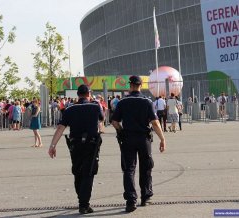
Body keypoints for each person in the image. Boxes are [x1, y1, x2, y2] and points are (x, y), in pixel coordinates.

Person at [112, 76, 166, 213]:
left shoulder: (122, 102)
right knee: (146, 167)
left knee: (129, 169)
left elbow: (115, 122)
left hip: (128, 138)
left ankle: (131, 201)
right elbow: (155, 122)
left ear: (130, 86)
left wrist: (121, 131)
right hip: (143, 139)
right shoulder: (147, 101)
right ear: (141, 85)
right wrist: (162, 139)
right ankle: (145, 196)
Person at [48, 84, 104, 215]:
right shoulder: (95, 106)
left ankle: (81, 199)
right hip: (91, 144)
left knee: (77, 171)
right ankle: (84, 204)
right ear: (88, 94)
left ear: (77, 95)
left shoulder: (70, 108)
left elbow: (61, 128)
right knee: (89, 172)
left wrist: (52, 145)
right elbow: (102, 119)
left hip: (75, 145)